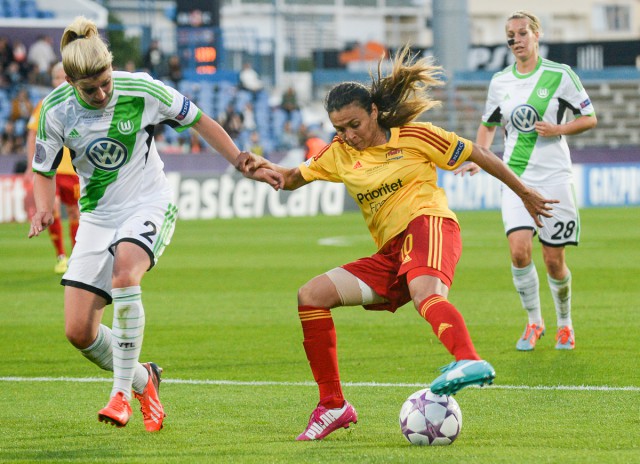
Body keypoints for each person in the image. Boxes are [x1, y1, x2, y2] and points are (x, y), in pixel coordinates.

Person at [252, 45, 557, 441]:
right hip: (390, 252)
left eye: (354, 125)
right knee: (311, 295)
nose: (347, 135)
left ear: (374, 112)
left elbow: (480, 153)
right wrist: (264, 169)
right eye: (339, 129)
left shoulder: (415, 136)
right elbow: (292, 178)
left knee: (424, 291)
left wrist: (525, 194)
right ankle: (333, 405)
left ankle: (468, 360)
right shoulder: (339, 154)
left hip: (429, 224)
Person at [28, 16, 282, 432]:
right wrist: (42, 207)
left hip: (147, 201)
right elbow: (43, 168)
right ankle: (146, 380)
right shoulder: (56, 109)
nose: (102, 92)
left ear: (112, 69)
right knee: (78, 331)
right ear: (71, 83)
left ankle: (120, 394)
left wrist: (240, 160)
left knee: (127, 272)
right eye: (90, 89)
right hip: (97, 215)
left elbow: (198, 118)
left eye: (106, 81)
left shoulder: (141, 88)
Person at [455, 11, 597, 352]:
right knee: (519, 253)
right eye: (510, 36)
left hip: (554, 178)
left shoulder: (560, 75)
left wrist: (559, 129)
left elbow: (589, 118)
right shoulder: (500, 82)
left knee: (553, 260)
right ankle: (534, 321)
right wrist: (481, 158)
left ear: (536, 34)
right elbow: (488, 125)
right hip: (515, 177)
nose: (516, 40)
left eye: (521, 34)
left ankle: (565, 324)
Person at [25, 62, 80, 274]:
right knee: (53, 207)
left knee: (75, 212)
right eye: (56, 78)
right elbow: (32, 134)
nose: (59, 81)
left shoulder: (79, 102)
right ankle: (60, 256)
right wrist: (32, 164)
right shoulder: (45, 104)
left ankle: (77, 257)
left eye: (63, 77)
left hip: (74, 171)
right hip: (51, 171)